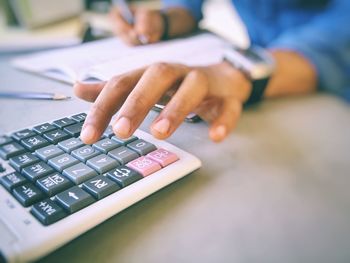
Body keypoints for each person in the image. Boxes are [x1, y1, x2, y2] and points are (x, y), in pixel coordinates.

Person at [75, 0, 350, 145]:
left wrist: (238, 72)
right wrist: (164, 20)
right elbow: (187, 6)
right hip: (258, 86)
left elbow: (340, 33)